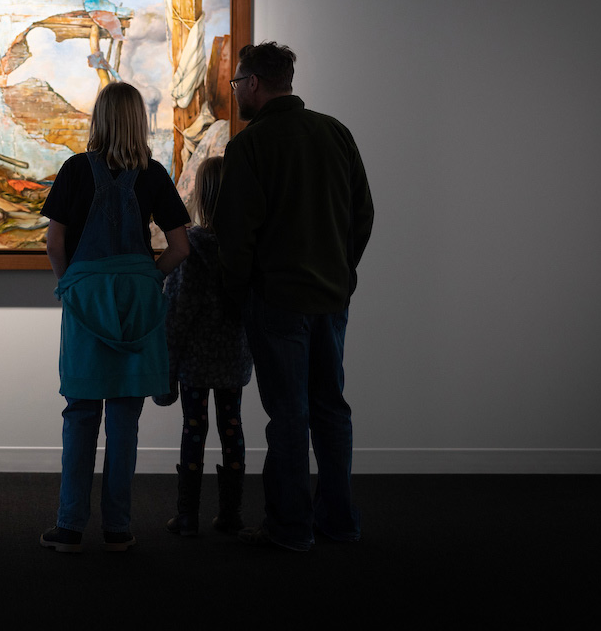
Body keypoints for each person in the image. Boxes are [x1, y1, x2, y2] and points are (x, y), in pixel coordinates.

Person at [215, 42, 373, 552]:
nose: (237, 91)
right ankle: (338, 522)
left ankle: (290, 528)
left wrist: (234, 298)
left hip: (277, 301)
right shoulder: (335, 133)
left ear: (254, 83)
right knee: (332, 410)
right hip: (330, 299)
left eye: (238, 83)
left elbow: (236, 235)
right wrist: (342, 271)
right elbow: (363, 214)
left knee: (288, 415)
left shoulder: (250, 146)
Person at [38, 80, 190, 553]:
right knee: (126, 414)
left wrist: (69, 285)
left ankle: (70, 527)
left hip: (87, 298)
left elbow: (54, 241)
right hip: (137, 301)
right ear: (138, 122)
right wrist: (150, 277)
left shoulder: (74, 170)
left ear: (99, 119)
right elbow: (180, 247)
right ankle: (118, 528)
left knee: (81, 412)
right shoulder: (155, 173)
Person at [156, 155, 254, 537]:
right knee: (233, 428)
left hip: (196, 362)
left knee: (193, 430)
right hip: (233, 358)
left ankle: (187, 514)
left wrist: (167, 362)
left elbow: (179, 310)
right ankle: (231, 513)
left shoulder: (193, 244)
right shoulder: (243, 245)